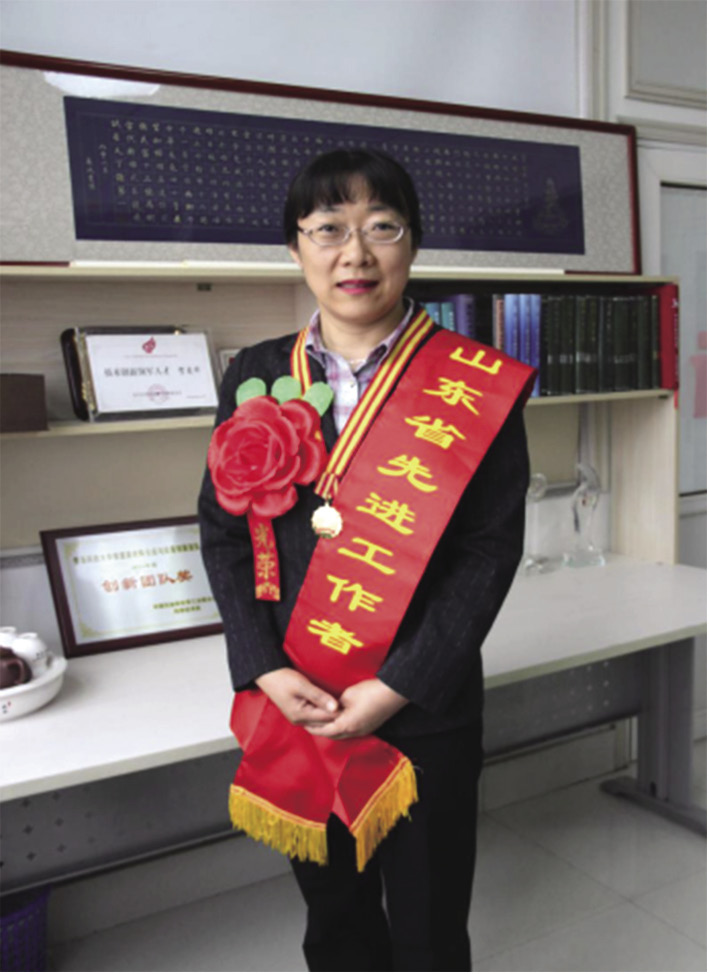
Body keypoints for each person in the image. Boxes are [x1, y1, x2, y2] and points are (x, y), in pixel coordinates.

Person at [198, 148, 533, 972]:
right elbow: (223, 530)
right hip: (298, 697)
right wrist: (263, 665)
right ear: (295, 248)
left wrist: (397, 685)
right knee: (335, 920)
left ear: (411, 242)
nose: (355, 254)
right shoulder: (255, 372)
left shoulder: (472, 382)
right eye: (328, 229)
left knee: (428, 929)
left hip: (422, 706)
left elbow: (488, 552)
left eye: (381, 227)